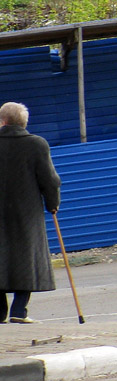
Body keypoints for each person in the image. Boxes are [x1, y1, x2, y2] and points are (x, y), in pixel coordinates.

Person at [0, 102, 61, 324]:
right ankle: (18, 310)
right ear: (24, 122)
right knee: (27, 258)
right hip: (27, 213)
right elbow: (50, 180)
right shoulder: (36, 144)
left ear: (3, 121)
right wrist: (52, 204)